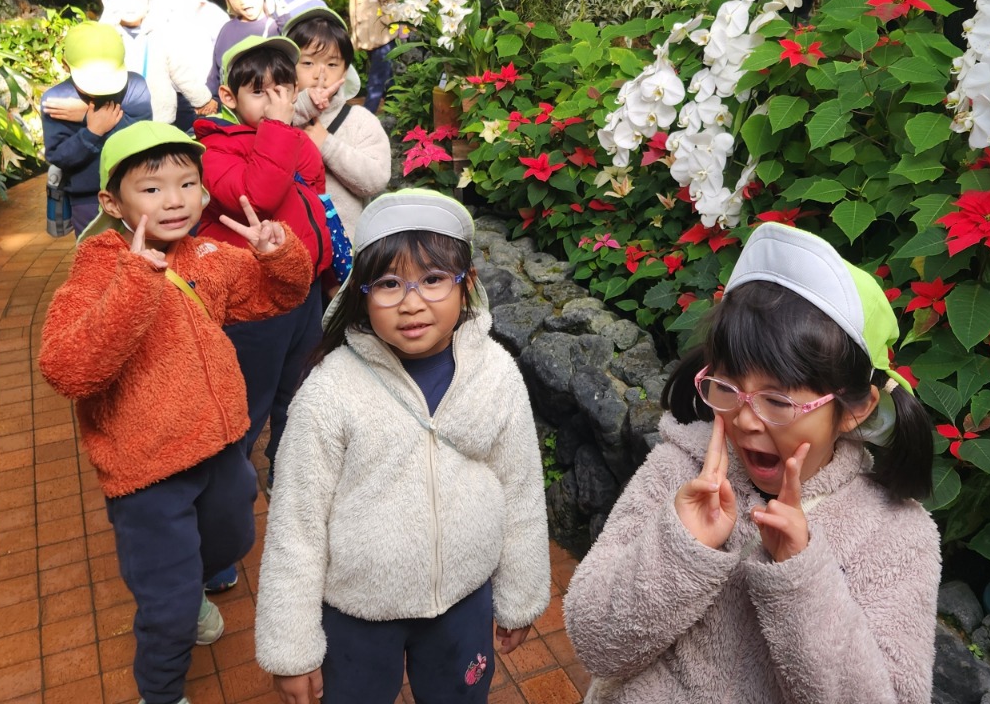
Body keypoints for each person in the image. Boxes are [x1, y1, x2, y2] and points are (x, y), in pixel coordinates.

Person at [563, 222, 941, 704]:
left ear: (856, 409)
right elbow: (595, 644)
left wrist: (801, 576)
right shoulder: (677, 471)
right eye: (727, 388)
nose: (744, 420)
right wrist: (679, 547)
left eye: (778, 401)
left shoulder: (895, 536)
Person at [37, 122, 313, 704]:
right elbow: (68, 369)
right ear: (112, 202)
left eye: (188, 184)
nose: (175, 200)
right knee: (168, 605)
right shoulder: (98, 269)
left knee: (235, 536)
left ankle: (189, 591)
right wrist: (137, 281)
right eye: (152, 188)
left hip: (219, 448)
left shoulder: (206, 255)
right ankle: (161, 690)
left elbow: (280, 295)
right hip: (147, 471)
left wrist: (278, 254)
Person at [254, 189, 550, 704]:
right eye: (389, 284)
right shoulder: (330, 389)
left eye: (433, 279)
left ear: (467, 284)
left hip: (463, 600)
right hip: (358, 611)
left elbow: (521, 488)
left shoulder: (496, 373)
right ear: (362, 293)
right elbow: (296, 525)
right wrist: (291, 648)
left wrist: (521, 595)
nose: (411, 303)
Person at [195, 35, 340, 573]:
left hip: (304, 293)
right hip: (253, 307)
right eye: (260, 91)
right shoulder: (212, 151)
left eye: (283, 87)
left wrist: (328, 275)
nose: (276, 100)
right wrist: (279, 130)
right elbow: (256, 194)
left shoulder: (293, 140)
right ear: (228, 97)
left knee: (296, 397)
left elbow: (315, 198)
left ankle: (285, 472)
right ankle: (219, 541)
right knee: (243, 415)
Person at [284, 4, 392, 240]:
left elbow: (376, 179)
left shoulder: (360, 121)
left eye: (332, 64)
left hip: (346, 248)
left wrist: (327, 145)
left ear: (344, 72)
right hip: (290, 248)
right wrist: (303, 106)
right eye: (308, 63)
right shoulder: (276, 119)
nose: (320, 74)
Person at [41, 21, 153, 236]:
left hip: (138, 190)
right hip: (87, 198)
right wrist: (92, 132)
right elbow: (59, 156)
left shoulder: (135, 86)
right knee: (96, 255)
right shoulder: (56, 100)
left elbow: (145, 139)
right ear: (65, 65)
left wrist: (88, 116)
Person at [101, 0, 216, 127]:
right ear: (106, 2)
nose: (130, 5)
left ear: (149, 2)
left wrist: (202, 99)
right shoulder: (100, 36)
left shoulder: (162, 32)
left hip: (159, 118)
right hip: (116, 121)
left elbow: (181, 71)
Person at [148, 0, 228, 128]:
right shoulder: (149, 7)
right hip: (157, 94)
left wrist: (212, 95)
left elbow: (224, 52)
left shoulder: (212, 13)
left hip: (199, 94)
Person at [345, 0, 401, 112]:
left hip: (382, 37)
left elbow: (393, 3)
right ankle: (399, 110)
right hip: (369, 37)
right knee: (387, 77)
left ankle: (367, 115)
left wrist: (385, 26)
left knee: (376, 79)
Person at [207, 0, 280, 98]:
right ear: (227, 0)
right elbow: (216, 72)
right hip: (225, 102)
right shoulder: (227, 28)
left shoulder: (274, 29)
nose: (243, 1)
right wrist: (209, 98)